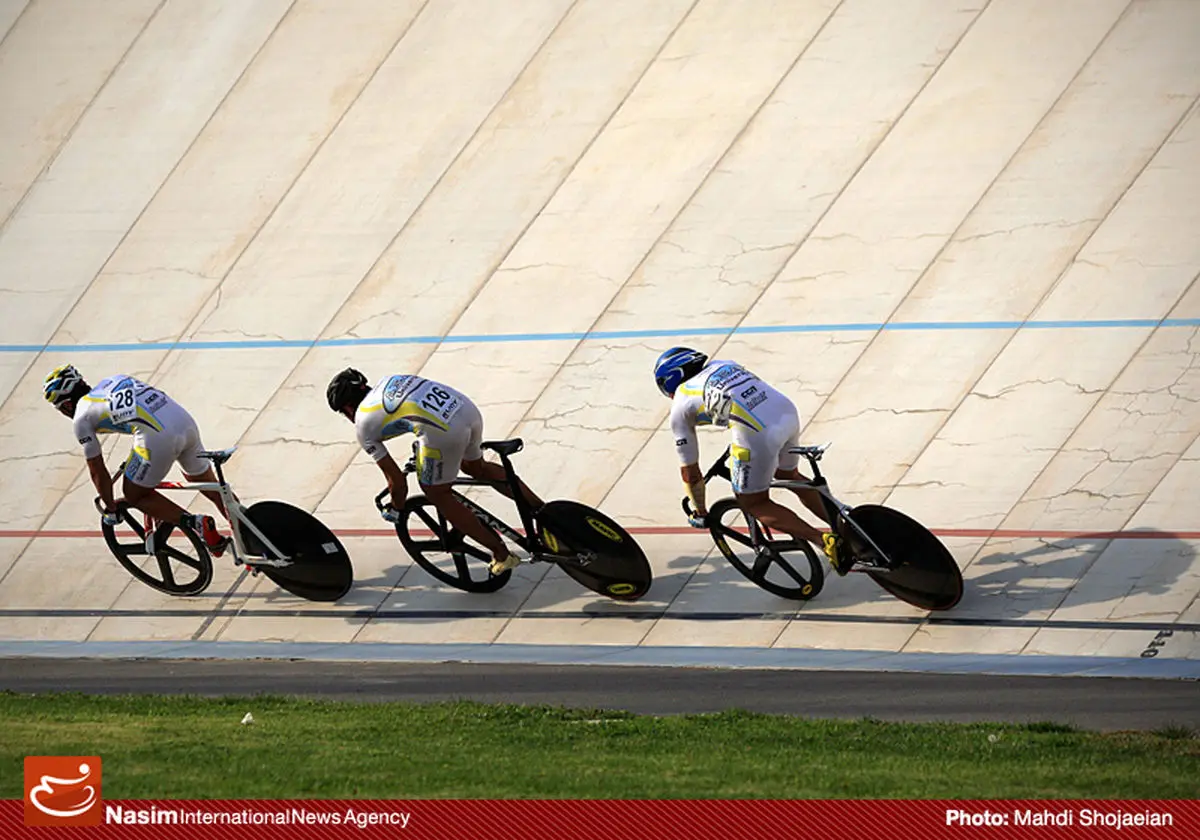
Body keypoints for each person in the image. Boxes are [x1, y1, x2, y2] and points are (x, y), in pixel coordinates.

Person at [326, 368, 544, 576]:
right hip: (466, 410)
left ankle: (501, 554)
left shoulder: (363, 425)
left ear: (347, 408)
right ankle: (542, 512)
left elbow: (397, 482)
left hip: (444, 432)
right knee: (475, 468)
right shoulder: (390, 381)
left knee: (437, 492)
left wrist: (396, 508)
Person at [653, 347, 849, 574]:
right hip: (787, 413)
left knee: (753, 502)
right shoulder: (724, 364)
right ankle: (848, 528)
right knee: (788, 475)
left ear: (669, 380)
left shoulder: (680, 403)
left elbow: (690, 472)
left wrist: (700, 510)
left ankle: (824, 541)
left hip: (758, 432)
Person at [43, 364, 230, 557]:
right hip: (184, 421)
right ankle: (250, 536)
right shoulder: (113, 380)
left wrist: (111, 506)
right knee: (211, 488)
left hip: (157, 436)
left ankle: (197, 524)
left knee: (134, 494)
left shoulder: (81, 418)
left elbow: (97, 470)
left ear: (66, 405)